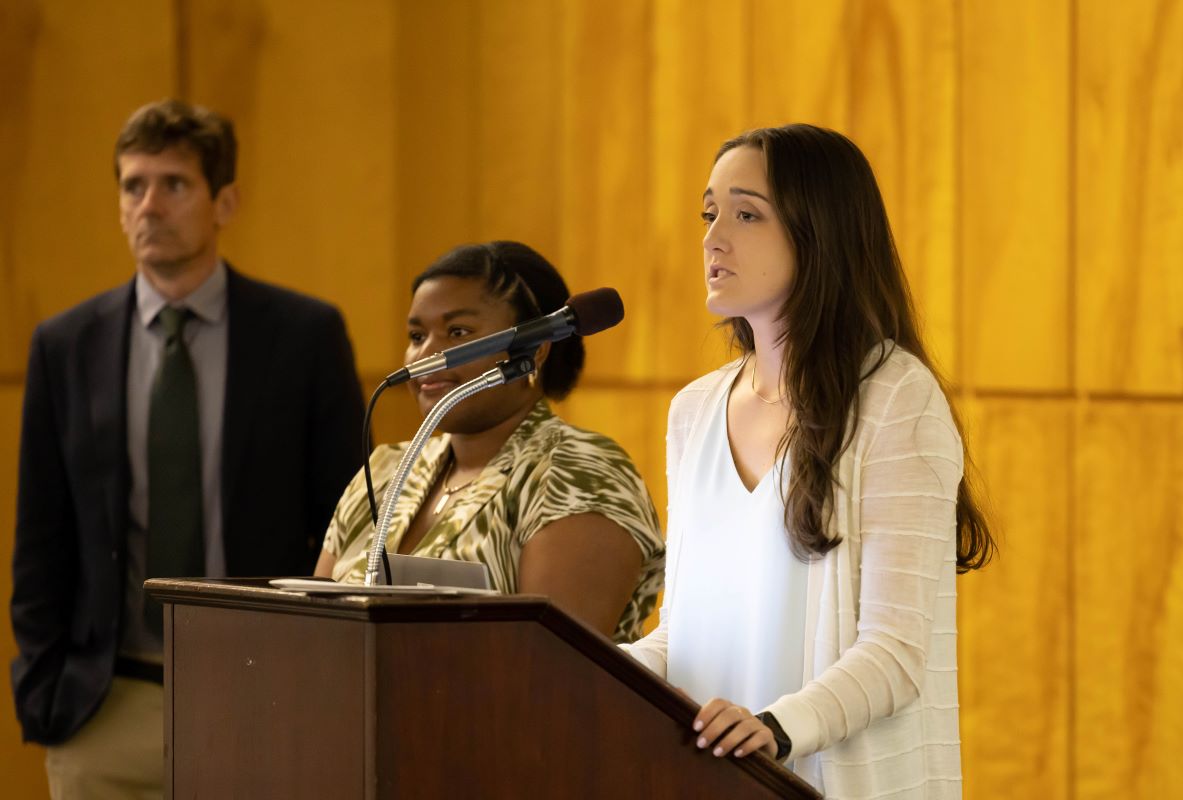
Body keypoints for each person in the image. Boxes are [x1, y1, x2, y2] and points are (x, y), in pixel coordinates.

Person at [621, 124, 994, 798]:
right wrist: (594, 671)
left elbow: (897, 652)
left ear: (818, 232)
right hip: (706, 778)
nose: (713, 238)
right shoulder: (694, 411)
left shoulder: (895, 400)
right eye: (709, 213)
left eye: (746, 213)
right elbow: (684, 636)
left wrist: (774, 727)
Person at [9, 99, 366, 798]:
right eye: (132, 186)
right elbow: (40, 537)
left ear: (223, 201)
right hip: (104, 707)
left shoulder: (304, 336)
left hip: (263, 696)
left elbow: (349, 519)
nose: (149, 205)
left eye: (173, 185)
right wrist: (44, 684)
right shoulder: (65, 345)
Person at [317, 241, 664, 643]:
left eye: (458, 332)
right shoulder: (385, 469)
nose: (426, 353)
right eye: (416, 335)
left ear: (533, 352)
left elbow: (550, 667)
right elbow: (311, 630)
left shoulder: (578, 471)